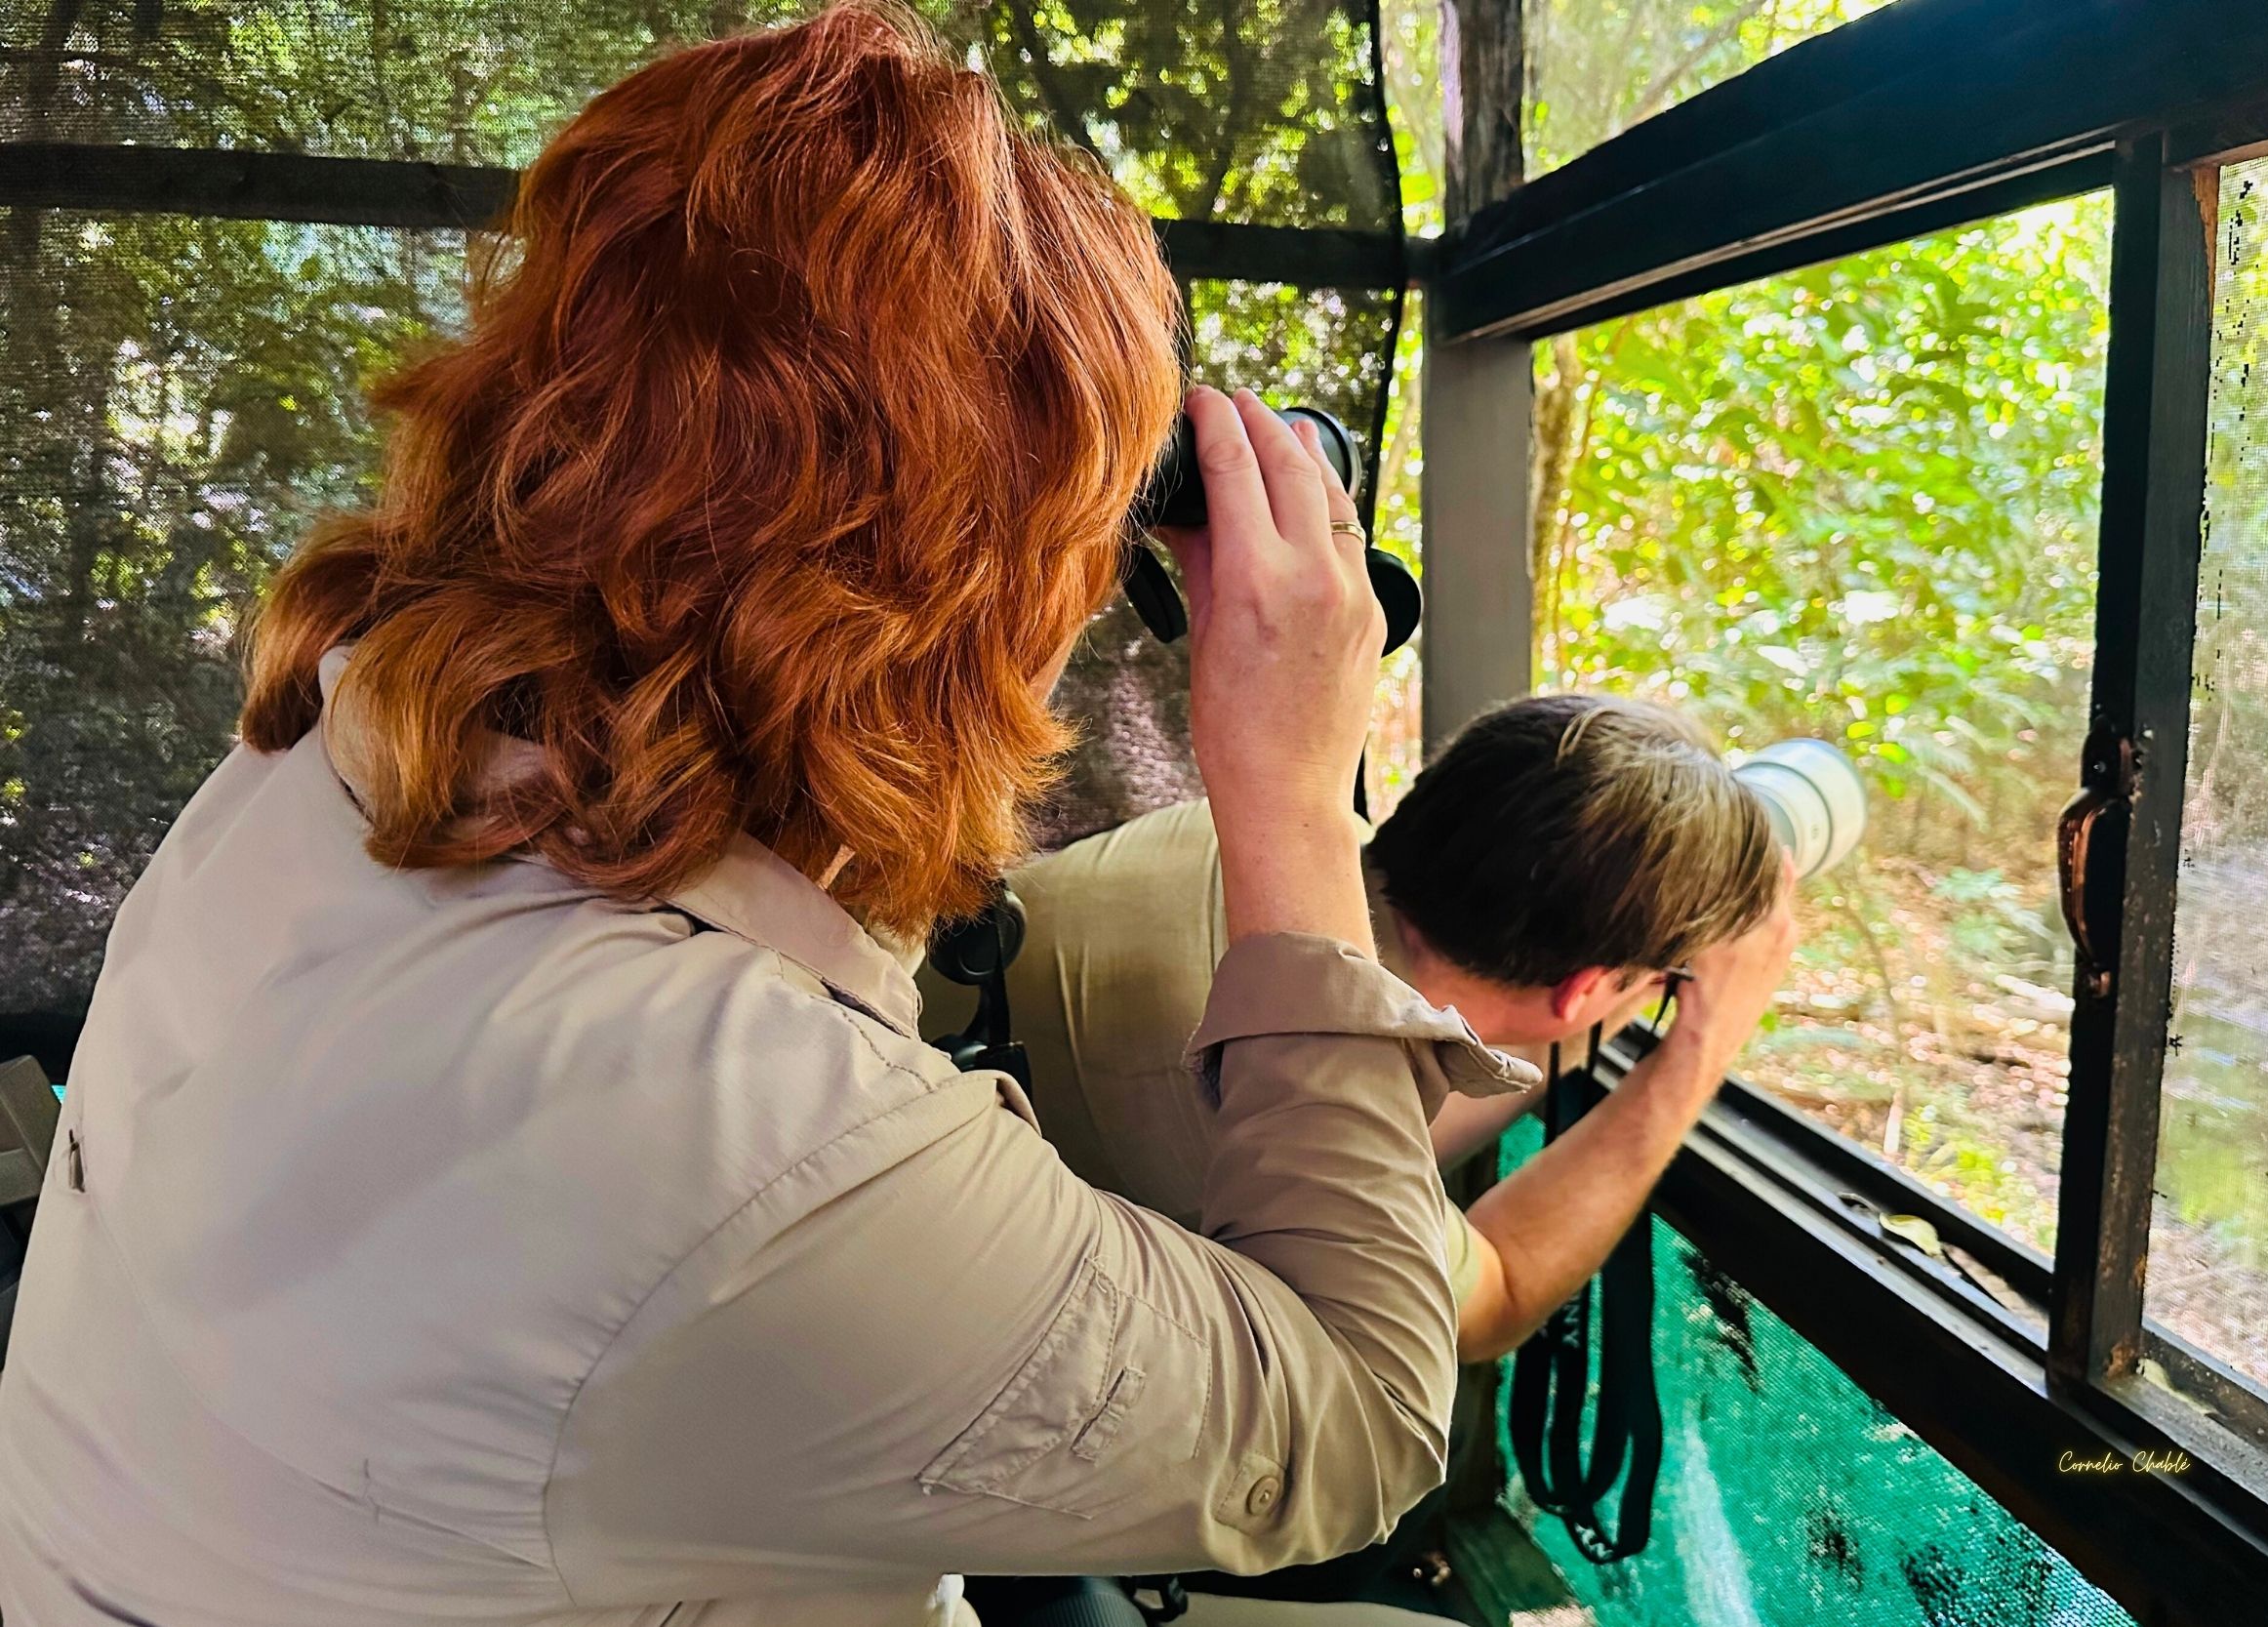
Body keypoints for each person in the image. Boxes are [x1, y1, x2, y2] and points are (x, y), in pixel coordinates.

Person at [0, 11, 1536, 1626]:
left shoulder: (342, 729)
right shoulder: (743, 1139)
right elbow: (1358, 1417)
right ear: (949, 598)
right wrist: (1294, 792)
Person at [923, 693, 1799, 1371]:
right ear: (1587, 994)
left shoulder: (1268, 830)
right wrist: (1699, 1047)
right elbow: (1495, 1298)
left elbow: (1428, 1068)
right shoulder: (1317, 1111)